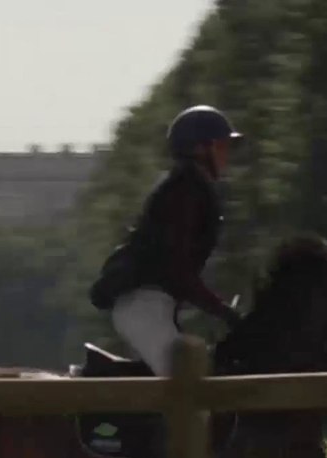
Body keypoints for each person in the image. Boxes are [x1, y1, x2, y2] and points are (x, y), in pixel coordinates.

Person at [88, 104, 245, 376]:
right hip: (142, 307)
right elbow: (177, 268)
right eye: (221, 146)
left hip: (155, 306)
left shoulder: (191, 186)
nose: (226, 154)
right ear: (200, 149)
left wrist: (218, 309)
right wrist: (221, 310)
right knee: (190, 384)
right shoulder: (184, 191)